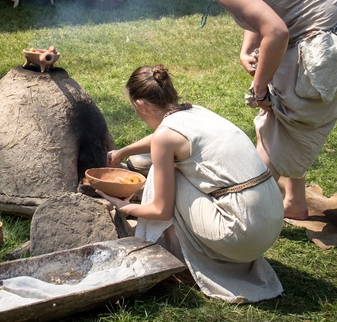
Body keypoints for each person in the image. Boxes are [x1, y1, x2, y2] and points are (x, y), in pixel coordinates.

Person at [159, 0, 337, 220]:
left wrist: (260, 89)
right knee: (281, 119)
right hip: (326, 30)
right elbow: (265, 10)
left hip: (321, 42)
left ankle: (244, 214)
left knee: (287, 121)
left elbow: (276, 31)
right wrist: (247, 48)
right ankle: (293, 201)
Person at [97, 65, 284, 303]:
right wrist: (124, 151)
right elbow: (163, 137)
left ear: (140, 105)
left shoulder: (166, 136)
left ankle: (176, 258)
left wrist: (122, 206)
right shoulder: (196, 112)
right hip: (271, 218)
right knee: (171, 167)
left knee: (161, 171)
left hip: (243, 235)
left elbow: (160, 210)